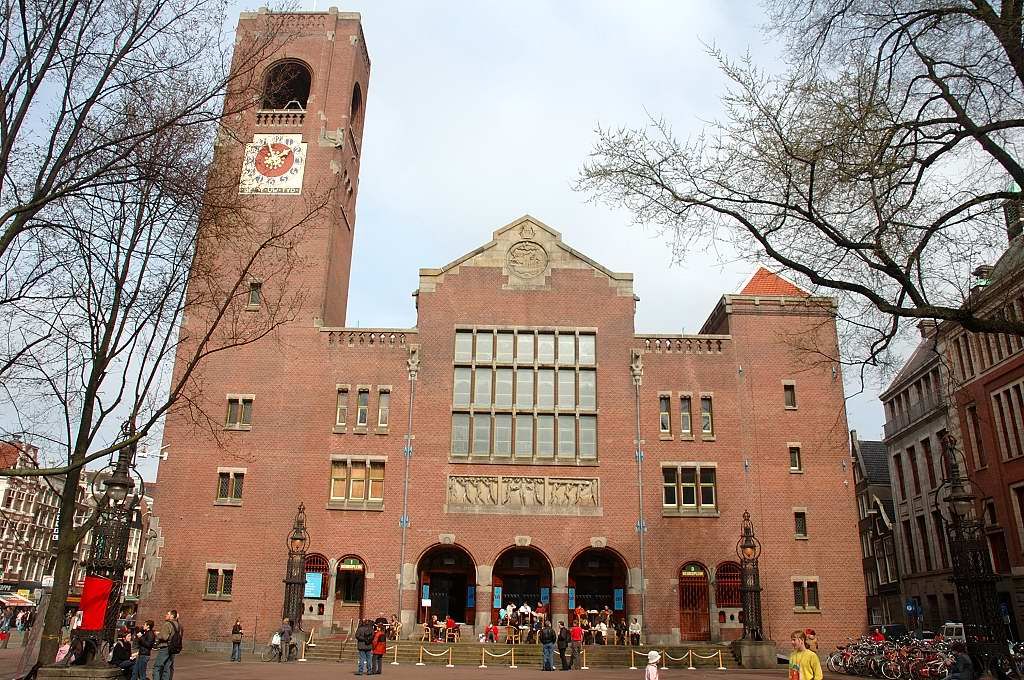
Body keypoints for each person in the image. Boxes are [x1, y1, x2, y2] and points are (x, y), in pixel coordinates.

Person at [153, 609, 181, 680]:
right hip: (173, 648)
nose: (165, 615)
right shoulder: (179, 625)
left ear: (171, 616)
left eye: (167, 614)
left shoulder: (167, 624)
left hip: (165, 647)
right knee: (167, 667)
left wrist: (158, 634)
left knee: (157, 667)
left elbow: (164, 637)